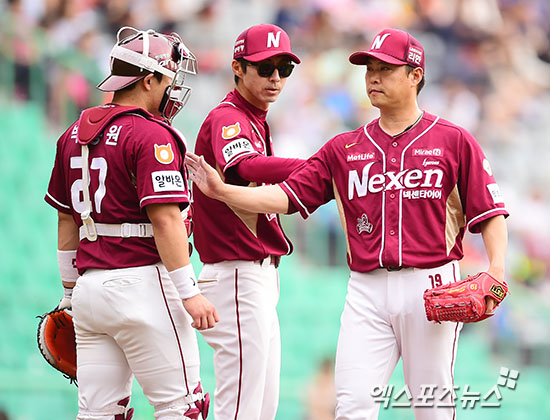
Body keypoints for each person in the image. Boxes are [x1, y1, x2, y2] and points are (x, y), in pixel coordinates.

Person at [186, 28, 509, 420]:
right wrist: (224, 192)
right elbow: (286, 197)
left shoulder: (453, 140)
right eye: (369, 69)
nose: (373, 77)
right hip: (365, 290)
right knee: (352, 407)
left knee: (432, 408)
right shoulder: (345, 147)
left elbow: (490, 212)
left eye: (386, 69)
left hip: (430, 284)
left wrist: (496, 270)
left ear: (415, 75)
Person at [44, 26, 218, 420]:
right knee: (183, 408)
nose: (172, 89)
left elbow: (66, 219)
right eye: (168, 78)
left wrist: (69, 292)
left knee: (98, 414)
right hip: (142, 283)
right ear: (149, 79)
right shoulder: (151, 133)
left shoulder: (71, 134)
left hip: (89, 291)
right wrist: (189, 292)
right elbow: (166, 220)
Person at [191, 24, 305, 420]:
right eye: (265, 67)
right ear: (238, 68)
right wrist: (313, 165)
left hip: (254, 276)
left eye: (284, 69)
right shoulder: (228, 116)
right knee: (241, 408)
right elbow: (243, 166)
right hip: (237, 273)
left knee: (261, 407)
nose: (275, 78)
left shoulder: (255, 119)